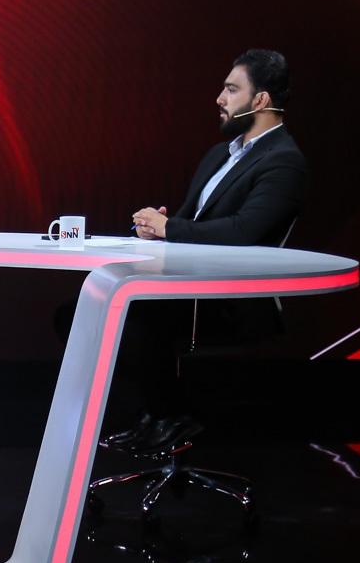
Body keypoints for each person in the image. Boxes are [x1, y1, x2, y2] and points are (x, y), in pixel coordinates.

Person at [107, 49, 306, 453]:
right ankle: (161, 414)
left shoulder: (284, 161)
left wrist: (171, 228)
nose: (220, 98)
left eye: (231, 90)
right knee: (85, 313)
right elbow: (188, 223)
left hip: (231, 303)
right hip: (183, 294)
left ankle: (172, 416)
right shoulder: (220, 154)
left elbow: (245, 231)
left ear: (261, 100)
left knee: (132, 319)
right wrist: (156, 229)